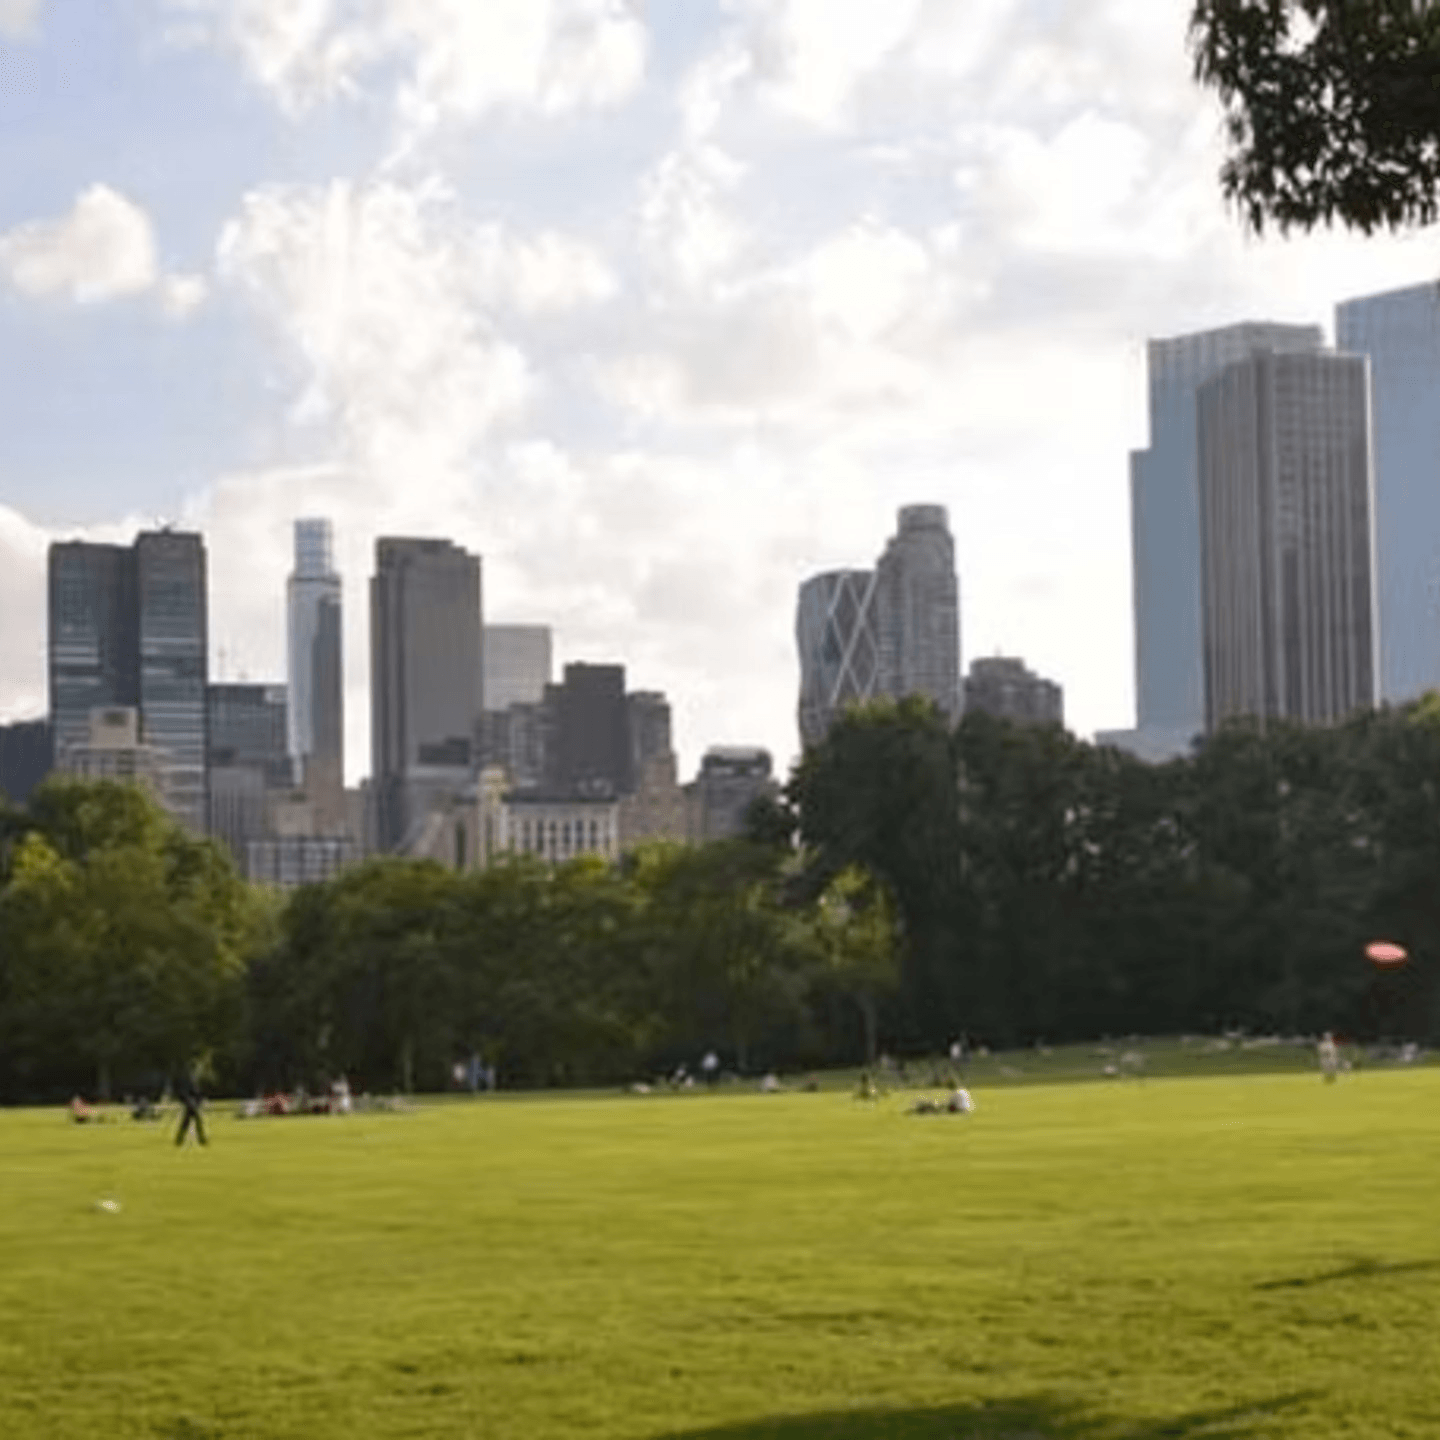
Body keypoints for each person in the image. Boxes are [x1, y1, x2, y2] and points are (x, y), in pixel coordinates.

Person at [174, 1073, 207, 1147]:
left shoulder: (194, 1086)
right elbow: (184, 1094)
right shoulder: (190, 1085)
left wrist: (196, 1102)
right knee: (193, 1121)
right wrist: (190, 1102)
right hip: (190, 1105)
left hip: (192, 1105)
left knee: (187, 1122)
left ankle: (179, 1139)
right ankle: (201, 1139)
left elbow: (199, 1096)